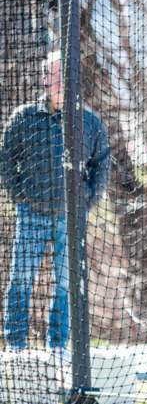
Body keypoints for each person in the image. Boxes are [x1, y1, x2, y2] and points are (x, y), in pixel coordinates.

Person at [0, 51, 109, 355]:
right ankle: (16, 346)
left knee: (65, 284)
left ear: (74, 78)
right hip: (31, 210)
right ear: (44, 78)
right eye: (53, 74)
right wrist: (20, 195)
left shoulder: (89, 121)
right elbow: (7, 161)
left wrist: (87, 199)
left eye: (64, 74)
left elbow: (102, 165)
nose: (58, 80)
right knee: (21, 279)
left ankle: (58, 347)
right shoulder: (24, 118)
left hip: (71, 216)